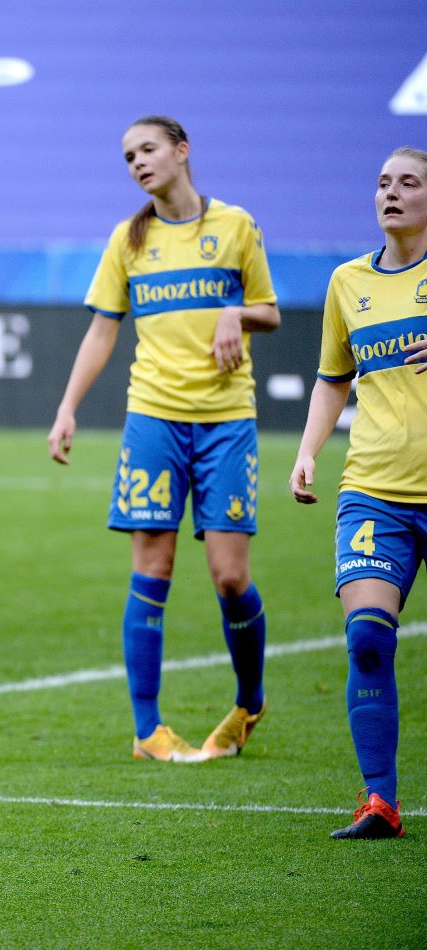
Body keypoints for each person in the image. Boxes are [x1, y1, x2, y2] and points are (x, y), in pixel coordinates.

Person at [47, 115, 281, 764]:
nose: (138, 162)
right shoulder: (128, 239)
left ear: (182, 150)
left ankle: (249, 701)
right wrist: (67, 407)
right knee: (151, 568)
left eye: (148, 149)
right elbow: (102, 331)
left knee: (231, 578)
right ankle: (147, 730)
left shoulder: (235, 226)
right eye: (128, 156)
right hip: (152, 418)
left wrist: (235, 312)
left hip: (226, 421)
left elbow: (270, 310)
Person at [290, 146, 427, 840]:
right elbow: (332, 377)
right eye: (382, 183)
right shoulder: (348, 282)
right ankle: (380, 802)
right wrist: (309, 451)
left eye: (408, 182)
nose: (391, 193)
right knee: (368, 641)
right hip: (374, 489)